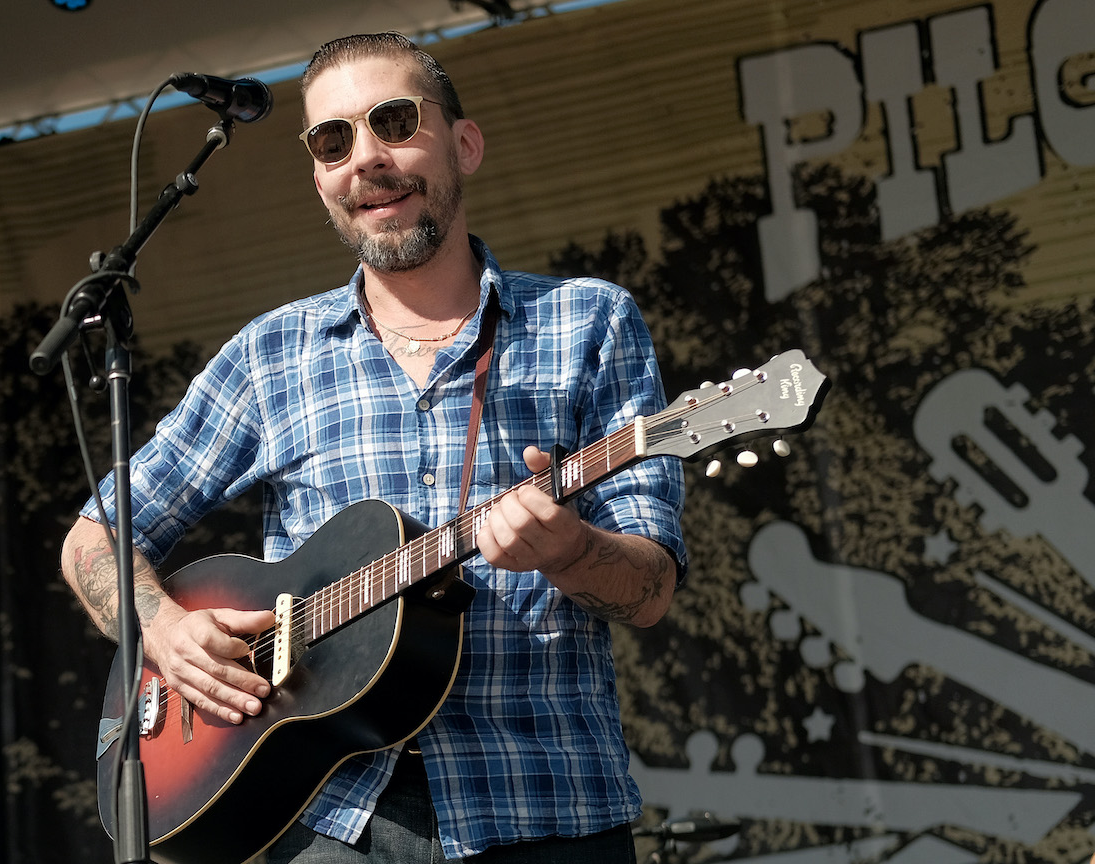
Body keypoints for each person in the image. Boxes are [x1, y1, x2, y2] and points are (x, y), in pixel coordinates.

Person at [61, 31, 688, 863]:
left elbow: (649, 590)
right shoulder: (271, 354)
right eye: (333, 140)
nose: (366, 158)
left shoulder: (590, 321)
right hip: (324, 824)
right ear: (320, 178)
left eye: (395, 122)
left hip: (545, 807)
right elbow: (95, 533)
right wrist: (164, 632)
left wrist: (569, 551)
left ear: (463, 144)